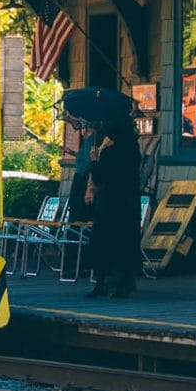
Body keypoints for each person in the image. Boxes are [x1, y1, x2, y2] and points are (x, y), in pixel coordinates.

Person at [83, 115, 143, 298]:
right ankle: (124, 283)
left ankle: (102, 283)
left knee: (104, 244)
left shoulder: (110, 152)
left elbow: (100, 178)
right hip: (128, 203)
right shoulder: (133, 148)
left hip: (109, 203)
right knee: (124, 243)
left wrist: (94, 158)